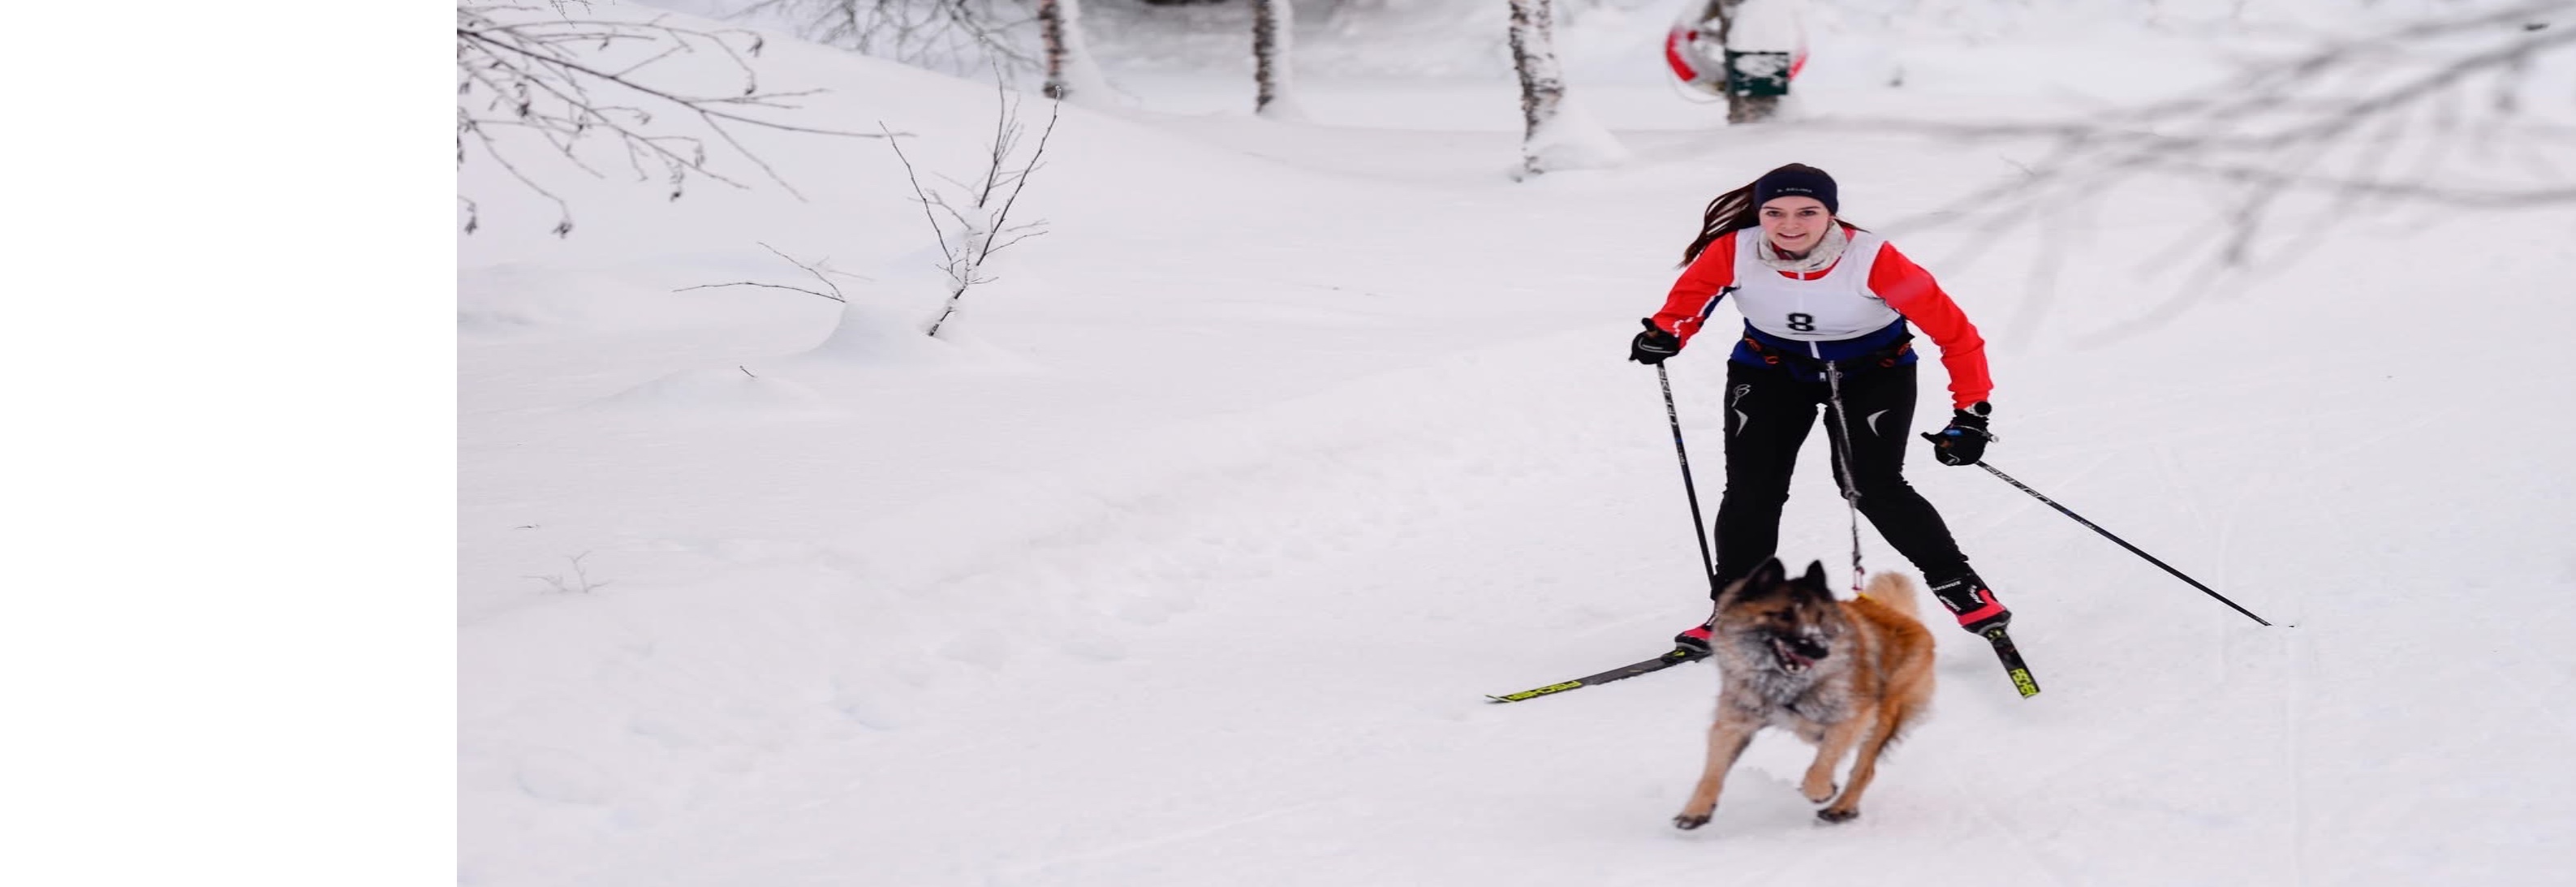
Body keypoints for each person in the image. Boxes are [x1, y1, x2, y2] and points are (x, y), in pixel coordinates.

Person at [1626, 163, 2011, 648]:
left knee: (1871, 486)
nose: (1791, 225)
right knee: (1752, 490)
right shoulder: (1733, 251)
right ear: (1759, 214)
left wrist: (1971, 415)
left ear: (1832, 214)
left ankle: (1962, 588)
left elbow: (1957, 336)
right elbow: (1683, 309)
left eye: (1808, 211)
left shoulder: (1875, 259)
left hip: (1872, 373)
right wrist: (1664, 337)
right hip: (1770, 371)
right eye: (1775, 212)